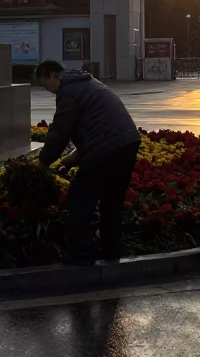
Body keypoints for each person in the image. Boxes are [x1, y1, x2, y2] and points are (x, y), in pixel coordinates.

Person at [35, 60, 142, 263]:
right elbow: (91, 128)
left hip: (106, 146)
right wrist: (70, 160)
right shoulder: (86, 84)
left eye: (44, 84)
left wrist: (43, 163)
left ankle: (82, 254)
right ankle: (111, 252)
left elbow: (60, 131)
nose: (46, 90)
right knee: (112, 201)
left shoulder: (68, 90)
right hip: (127, 142)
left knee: (79, 199)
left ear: (52, 75)